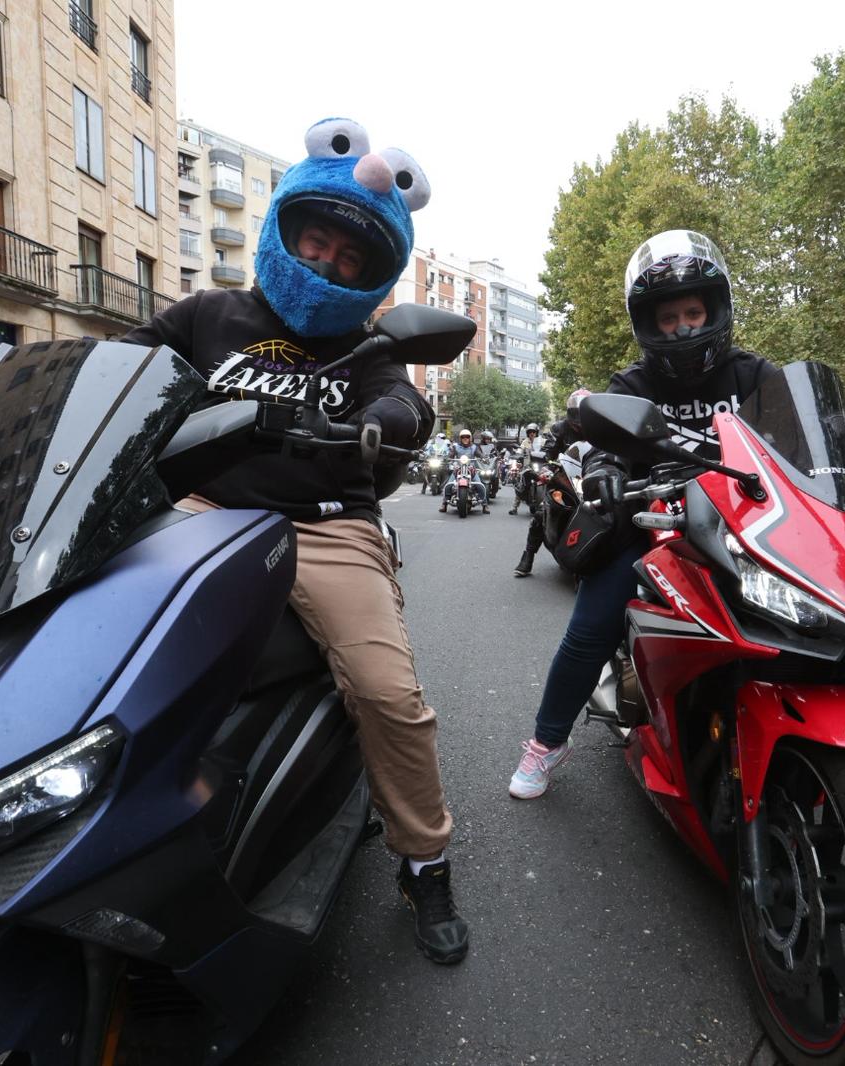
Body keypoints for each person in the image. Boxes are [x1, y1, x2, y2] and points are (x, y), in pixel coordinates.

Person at [123, 118, 470, 963]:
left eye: (351, 261)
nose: (327, 265)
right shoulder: (206, 314)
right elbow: (119, 365)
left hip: (327, 528)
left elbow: (405, 404)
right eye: (317, 242)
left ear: (372, 277)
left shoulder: (367, 349)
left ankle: (426, 859)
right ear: (287, 227)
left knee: (388, 695)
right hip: (198, 510)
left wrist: (380, 425)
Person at [507, 230, 781, 799]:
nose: (682, 325)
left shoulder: (755, 375)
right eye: (668, 317)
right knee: (590, 628)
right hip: (653, 525)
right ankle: (546, 742)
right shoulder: (634, 383)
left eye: (693, 311)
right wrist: (606, 469)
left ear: (715, 310)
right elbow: (606, 440)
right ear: (648, 324)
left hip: (748, 528)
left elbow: (801, 443)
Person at [511, 390, 588, 567]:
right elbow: (548, 452)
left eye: (585, 413)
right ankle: (528, 556)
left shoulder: (597, 429)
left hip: (589, 477)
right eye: (577, 413)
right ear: (570, 413)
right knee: (541, 513)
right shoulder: (560, 428)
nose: (581, 418)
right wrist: (546, 468)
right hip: (563, 477)